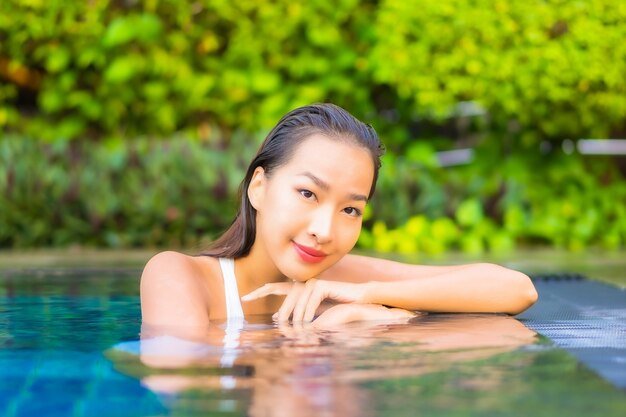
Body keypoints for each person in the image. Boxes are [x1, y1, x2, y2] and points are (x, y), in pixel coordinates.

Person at [140, 103, 538, 328]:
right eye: (308, 193)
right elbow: (181, 370)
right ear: (258, 187)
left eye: (350, 209)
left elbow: (515, 289)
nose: (324, 231)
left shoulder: (338, 280)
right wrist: (322, 331)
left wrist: (367, 299)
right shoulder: (178, 275)